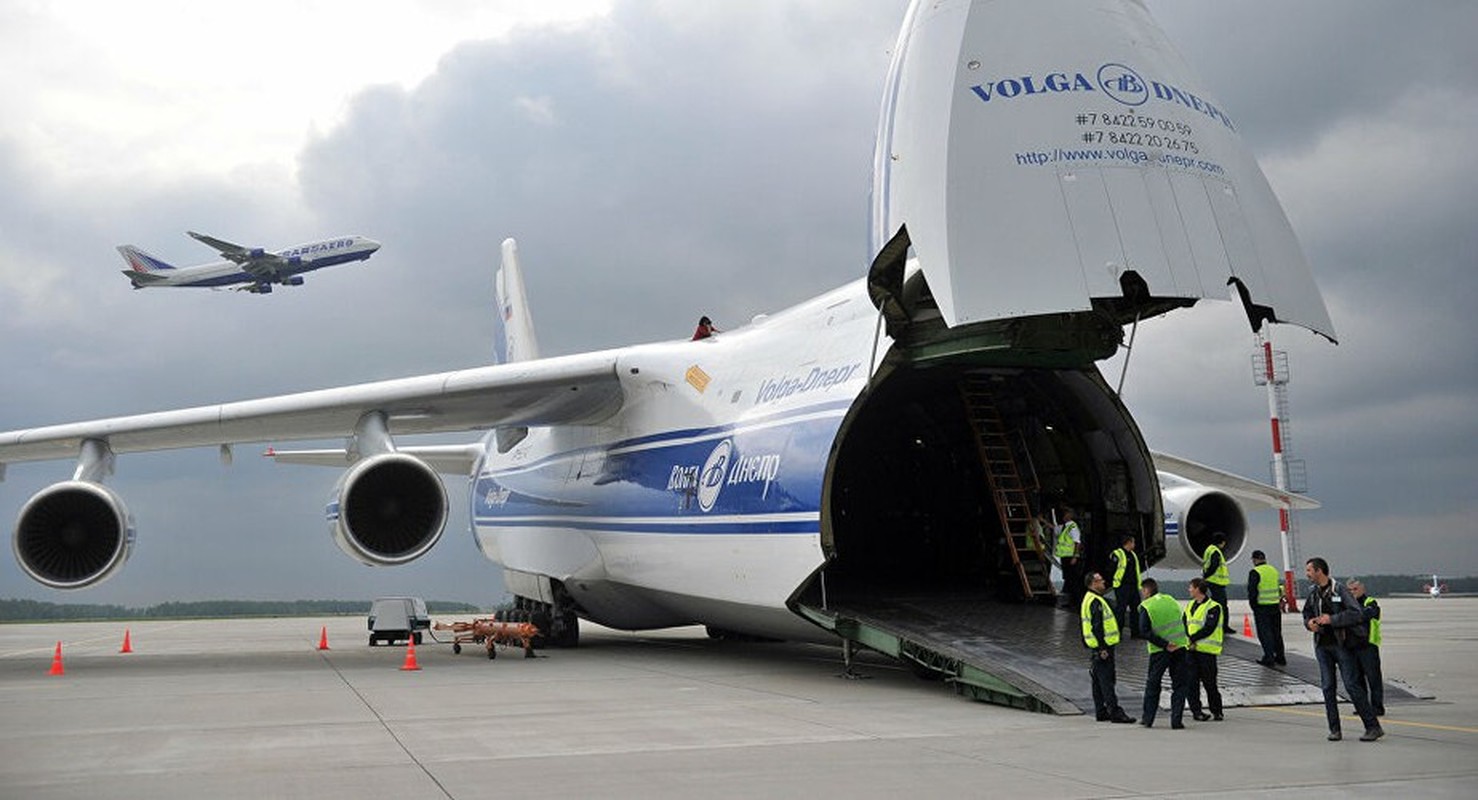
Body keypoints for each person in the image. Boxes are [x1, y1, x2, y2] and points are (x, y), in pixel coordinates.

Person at [1302, 557, 1383, 742]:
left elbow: (1356, 613)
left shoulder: (1339, 590)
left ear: (1319, 571)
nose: (1307, 574)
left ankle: (1373, 726)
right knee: (1327, 687)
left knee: (1352, 685)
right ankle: (1335, 730)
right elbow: (1306, 612)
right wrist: (1309, 623)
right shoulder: (1314, 592)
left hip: (1341, 645)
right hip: (1322, 646)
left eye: (1309, 570)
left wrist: (1332, 620)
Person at [1081, 572, 1136, 724]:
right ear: (1093, 583)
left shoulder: (1090, 598)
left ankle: (1101, 711)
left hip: (1096, 646)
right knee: (1107, 681)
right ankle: (1115, 712)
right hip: (1103, 647)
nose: (1104, 582)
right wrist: (1102, 648)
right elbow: (1097, 626)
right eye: (1100, 580)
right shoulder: (1095, 601)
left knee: (1098, 681)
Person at [1137, 577, 1190, 729]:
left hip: (1160, 651)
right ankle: (1176, 721)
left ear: (1146, 590)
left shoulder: (1147, 606)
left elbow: (1144, 631)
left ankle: (1148, 719)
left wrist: (1165, 644)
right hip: (1180, 647)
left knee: (1153, 684)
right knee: (1180, 685)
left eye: (1142, 591)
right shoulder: (1171, 600)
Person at [1184, 577, 1224, 722]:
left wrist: (1192, 638)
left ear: (1197, 589)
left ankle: (1217, 711)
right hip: (1191, 650)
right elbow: (1184, 623)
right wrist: (1189, 639)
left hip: (1206, 651)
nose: (1189, 590)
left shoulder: (1214, 606)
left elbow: (1209, 628)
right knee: (1192, 683)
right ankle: (1197, 711)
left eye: (1190, 587)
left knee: (1210, 683)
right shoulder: (1189, 606)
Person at [1347, 579, 1386, 716]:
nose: (1352, 592)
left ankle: (1377, 707)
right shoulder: (1347, 605)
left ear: (1362, 589)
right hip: (1352, 647)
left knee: (1373, 678)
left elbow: (1365, 615)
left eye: (1355, 589)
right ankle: (1362, 706)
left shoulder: (1370, 602)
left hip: (1368, 646)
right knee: (1357, 679)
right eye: (1350, 590)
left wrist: (1350, 615)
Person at [1247, 550, 1286, 666]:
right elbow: (1279, 587)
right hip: (1274, 606)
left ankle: (1269, 658)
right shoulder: (1273, 570)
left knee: (1265, 633)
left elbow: (1252, 591)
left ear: (1254, 560)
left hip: (1262, 607)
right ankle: (1280, 657)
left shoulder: (1255, 572)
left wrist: (1253, 606)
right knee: (1276, 632)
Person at [1109, 535, 1142, 638]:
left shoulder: (1133, 555)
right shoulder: (1117, 554)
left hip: (1133, 586)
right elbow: (1111, 569)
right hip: (1122, 586)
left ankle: (1135, 633)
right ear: (1128, 543)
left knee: (1135, 610)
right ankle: (1118, 633)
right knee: (1121, 610)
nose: (1134, 545)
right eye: (1133, 542)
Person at [1200, 533, 1233, 633]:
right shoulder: (1215, 551)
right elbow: (1214, 566)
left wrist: (1205, 577)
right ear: (1222, 542)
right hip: (1216, 582)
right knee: (1222, 605)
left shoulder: (1209, 550)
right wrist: (1207, 576)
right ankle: (1224, 626)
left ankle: (1214, 624)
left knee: (1214, 604)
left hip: (1212, 581)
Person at [1056, 506, 1084, 608]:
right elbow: (1055, 529)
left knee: (1073, 579)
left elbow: (1077, 542)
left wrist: (1075, 556)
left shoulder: (1072, 527)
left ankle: (1077, 602)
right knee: (1068, 579)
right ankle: (1071, 601)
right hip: (1065, 557)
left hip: (1071, 557)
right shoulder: (1065, 527)